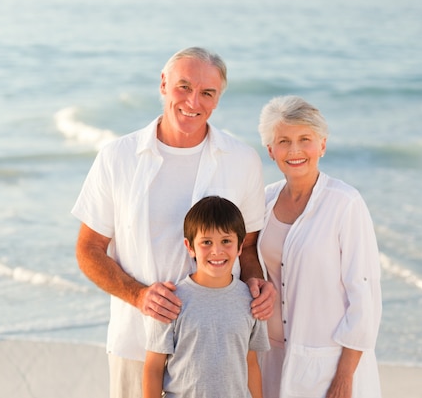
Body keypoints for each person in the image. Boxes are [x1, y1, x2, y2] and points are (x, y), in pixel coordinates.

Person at [71, 47, 275, 398]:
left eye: (207, 93)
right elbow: (88, 250)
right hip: (137, 342)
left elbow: (249, 247)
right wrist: (139, 296)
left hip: (218, 352)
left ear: (217, 100)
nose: (193, 101)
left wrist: (258, 284)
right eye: (184, 86)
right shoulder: (117, 157)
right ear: (163, 84)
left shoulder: (242, 160)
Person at [256, 95, 382, 398]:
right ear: (271, 150)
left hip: (329, 364)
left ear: (322, 145)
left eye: (305, 139)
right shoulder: (263, 201)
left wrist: (344, 377)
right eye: (284, 141)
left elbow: (365, 297)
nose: (295, 150)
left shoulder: (345, 203)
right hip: (270, 358)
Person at [143, 196, 270, 398]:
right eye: (206, 242)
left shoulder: (251, 301)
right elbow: (153, 367)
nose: (217, 251)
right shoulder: (172, 301)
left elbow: (250, 362)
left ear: (240, 246)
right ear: (190, 246)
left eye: (226, 241)